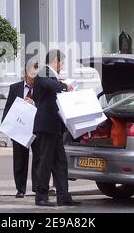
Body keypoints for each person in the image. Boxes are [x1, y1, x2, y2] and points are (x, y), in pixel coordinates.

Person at [32, 50, 81, 207]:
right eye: (62, 63)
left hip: (55, 127)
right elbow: (50, 85)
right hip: (46, 127)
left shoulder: (51, 75)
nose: (62, 66)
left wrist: (63, 85)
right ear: (56, 61)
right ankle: (41, 197)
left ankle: (63, 196)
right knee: (45, 162)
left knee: (61, 163)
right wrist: (65, 85)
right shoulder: (43, 72)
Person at [2, 61, 40, 198]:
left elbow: (45, 106)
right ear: (25, 73)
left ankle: (37, 187)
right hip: (19, 129)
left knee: (38, 159)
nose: (34, 78)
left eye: (36, 75)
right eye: (32, 75)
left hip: (36, 128)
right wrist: (6, 125)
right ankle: (20, 189)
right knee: (19, 160)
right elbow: (8, 108)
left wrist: (34, 103)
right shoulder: (15, 88)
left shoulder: (40, 88)